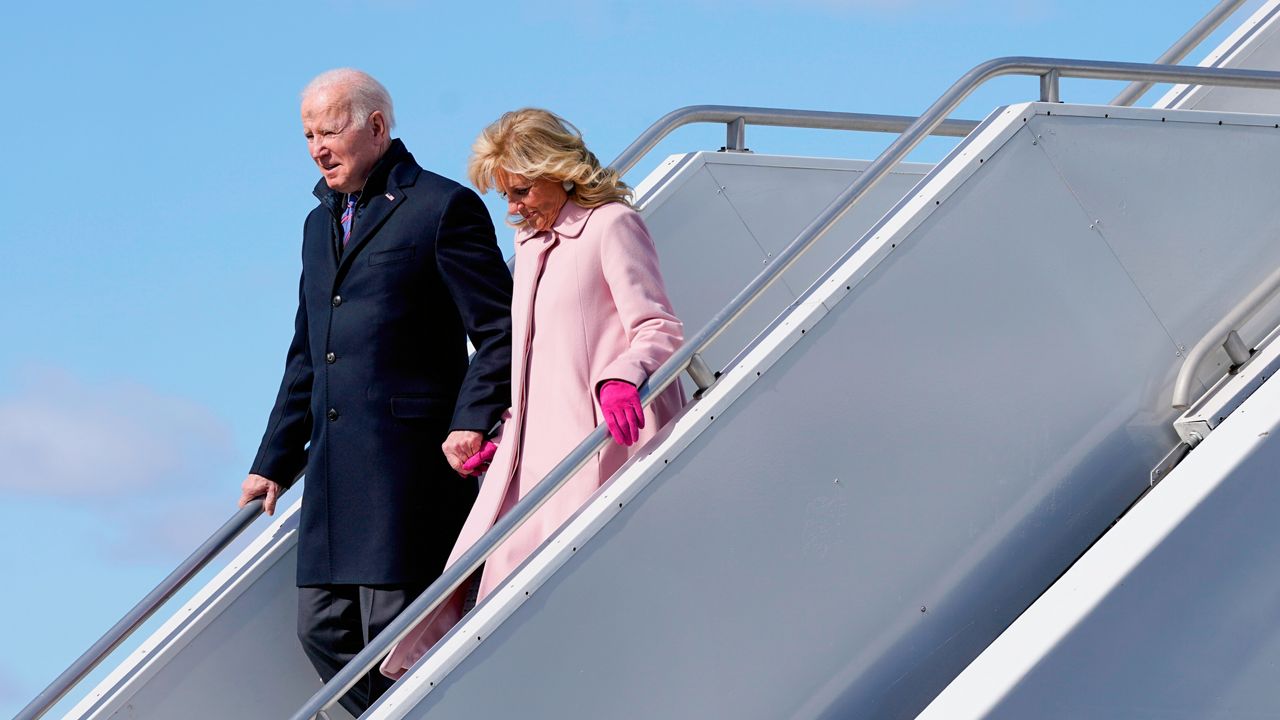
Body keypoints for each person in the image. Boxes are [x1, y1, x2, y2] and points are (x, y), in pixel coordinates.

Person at [236, 69, 513, 716]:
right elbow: (308, 351)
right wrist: (272, 461)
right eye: (307, 134)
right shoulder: (315, 225)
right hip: (334, 473)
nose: (316, 147)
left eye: (329, 130)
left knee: (400, 641)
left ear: (377, 127)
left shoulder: (442, 207)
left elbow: (499, 329)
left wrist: (471, 419)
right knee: (320, 630)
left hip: (410, 472)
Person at [382, 108, 685, 679]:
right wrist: (510, 430)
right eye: (505, 196)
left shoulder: (611, 224)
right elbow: (530, 357)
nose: (513, 208)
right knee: (497, 610)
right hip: (532, 457)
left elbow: (658, 326)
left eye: (520, 191)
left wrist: (624, 376)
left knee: (558, 612)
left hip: (596, 449)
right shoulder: (530, 246)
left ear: (558, 171)